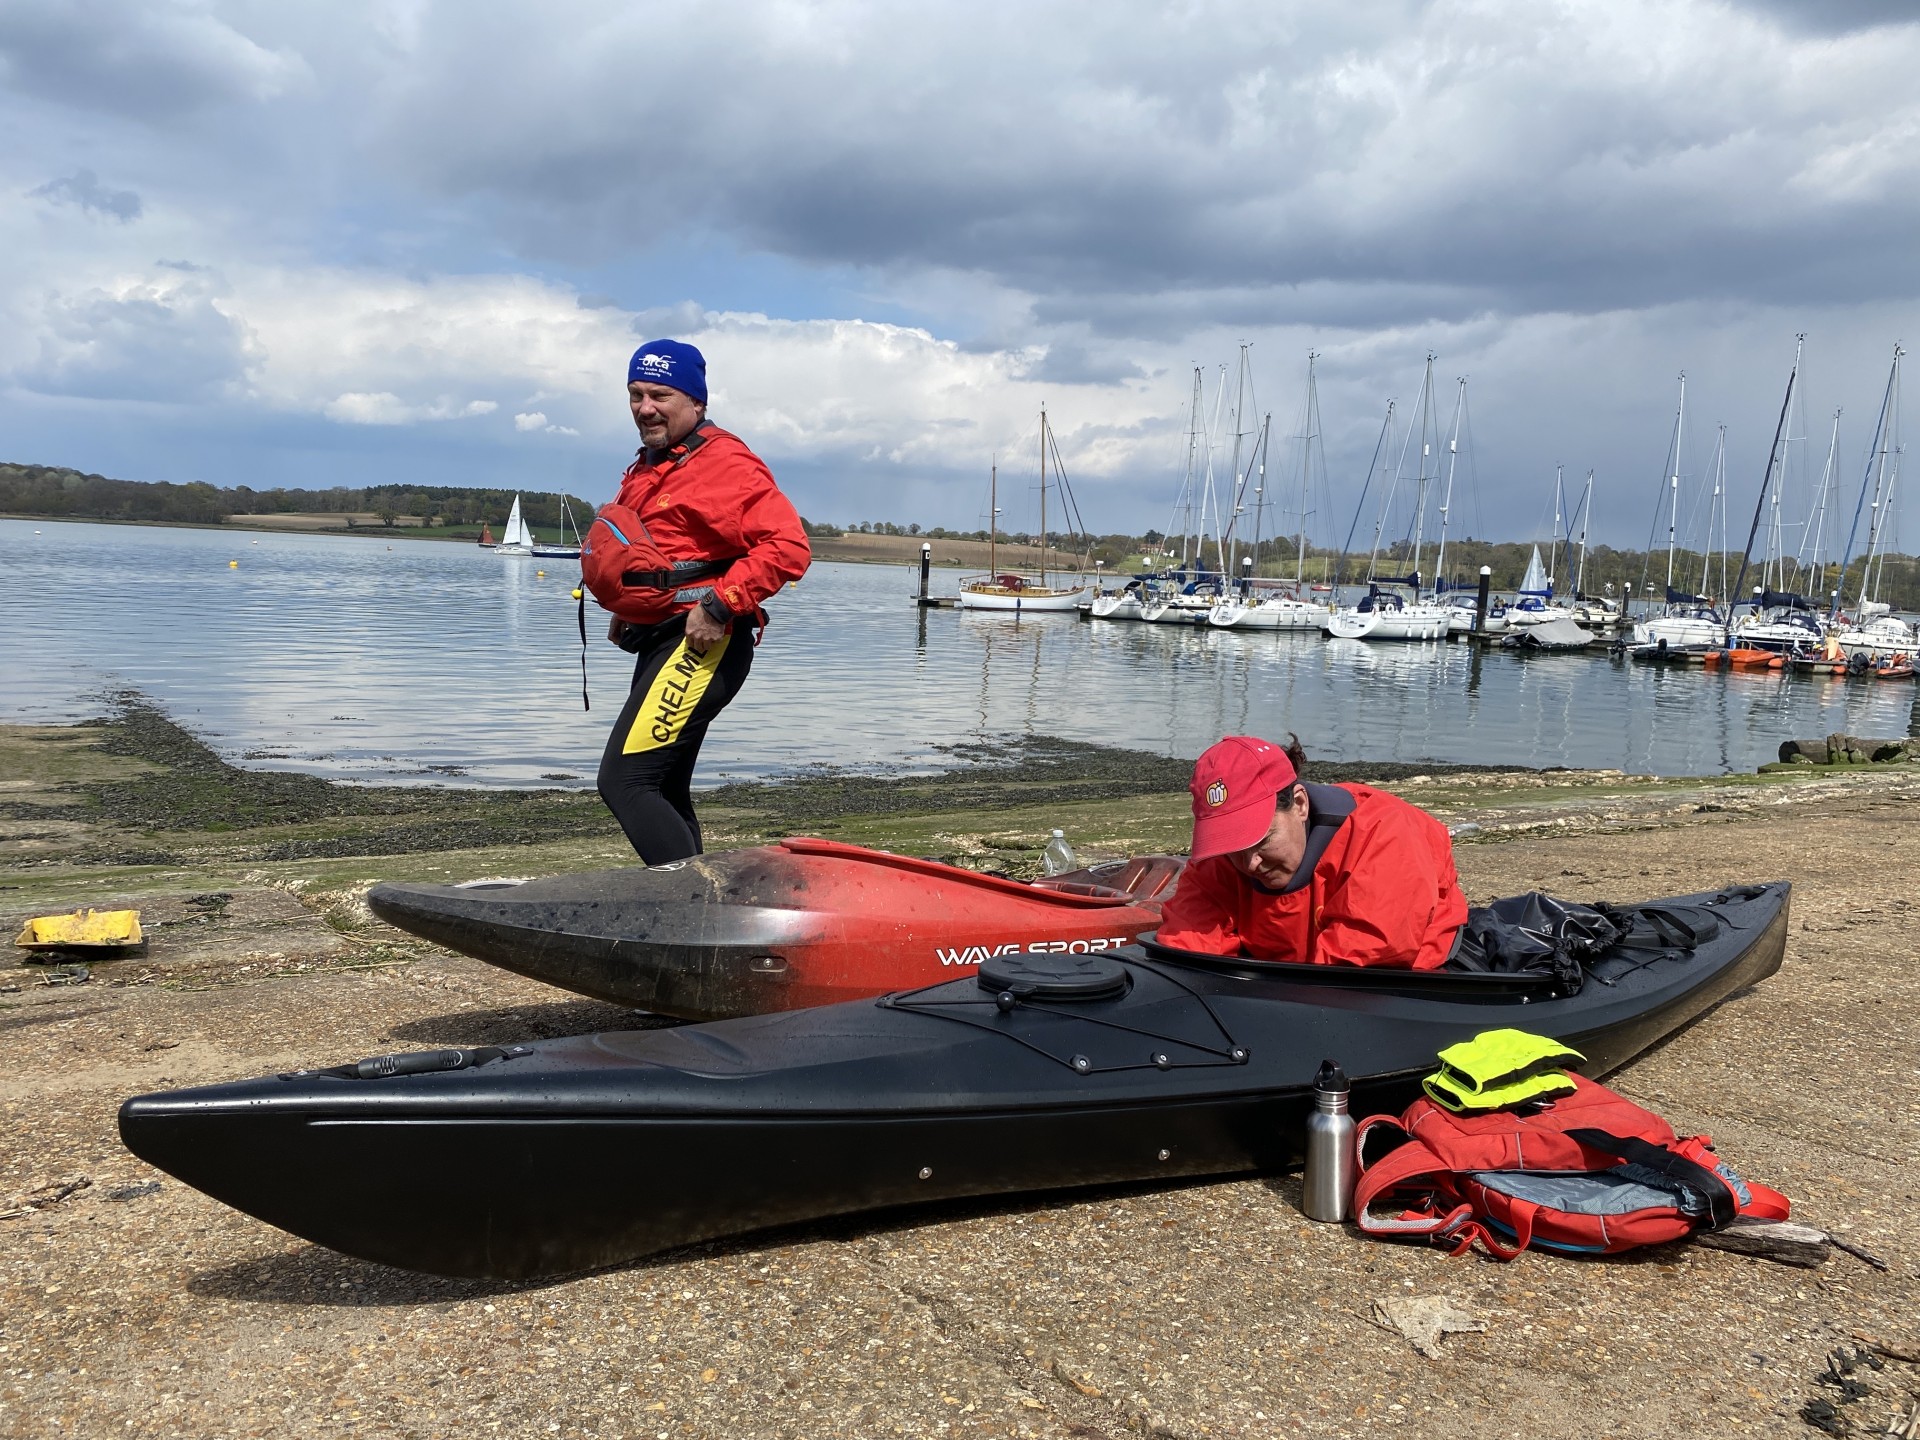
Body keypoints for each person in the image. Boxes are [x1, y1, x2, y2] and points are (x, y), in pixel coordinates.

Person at [593, 339, 810, 863]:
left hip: (704, 642)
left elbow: (788, 546)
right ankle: (704, 911)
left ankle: (694, 916)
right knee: (663, 785)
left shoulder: (727, 464)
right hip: (662, 638)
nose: (645, 407)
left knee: (625, 782)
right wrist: (630, 609)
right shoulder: (653, 462)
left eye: (660, 395)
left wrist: (719, 605)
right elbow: (665, 550)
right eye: (635, 394)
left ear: (697, 403)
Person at [1156, 734, 1466, 968]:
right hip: (1287, 986)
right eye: (1232, 847)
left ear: (1300, 804)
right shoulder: (1223, 855)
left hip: (1397, 989)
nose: (1249, 863)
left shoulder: (1383, 834)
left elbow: (1352, 967)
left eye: (1262, 841)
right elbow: (1188, 951)